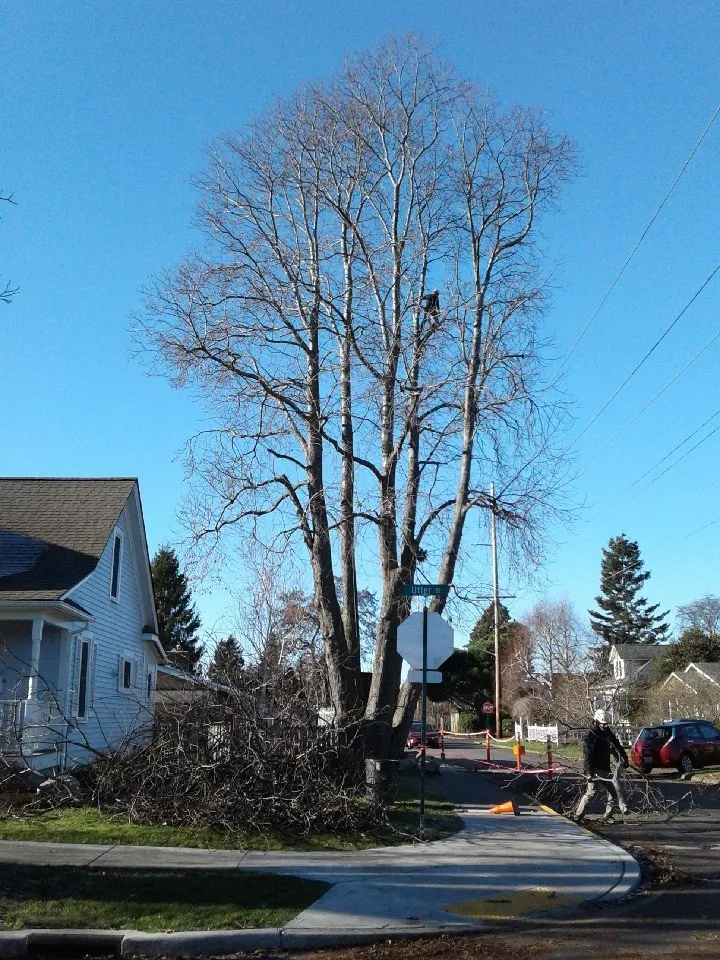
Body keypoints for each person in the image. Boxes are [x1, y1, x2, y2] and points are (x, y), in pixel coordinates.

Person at [574, 708, 629, 822]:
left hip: (605, 768)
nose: (605, 725)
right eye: (603, 723)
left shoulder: (606, 731)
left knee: (613, 791)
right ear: (597, 721)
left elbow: (616, 743)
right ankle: (578, 815)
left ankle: (607, 815)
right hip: (594, 769)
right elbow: (587, 756)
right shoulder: (590, 735)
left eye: (606, 723)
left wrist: (625, 757)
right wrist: (589, 772)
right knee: (591, 792)